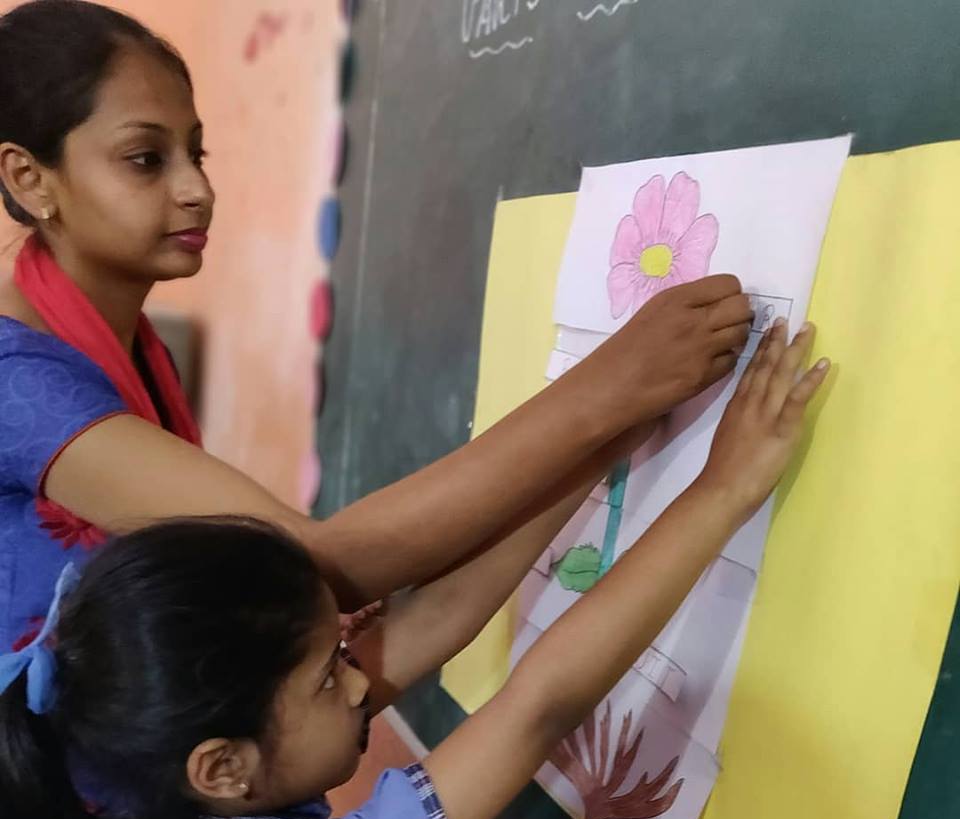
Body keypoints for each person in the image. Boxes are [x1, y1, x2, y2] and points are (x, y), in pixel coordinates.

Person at [0, 321, 829, 819]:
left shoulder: (153, 749)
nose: (361, 683)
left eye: (340, 658)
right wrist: (723, 490)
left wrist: (615, 435)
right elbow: (536, 709)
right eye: (330, 677)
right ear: (221, 768)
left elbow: (434, 616)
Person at [0, 0, 753, 653]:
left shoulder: (135, 348)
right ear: (29, 179)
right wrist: (610, 386)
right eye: (145, 159)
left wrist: (615, 423)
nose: (196, 188)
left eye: (196, 153)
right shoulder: (18, 382)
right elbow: (310, 563)